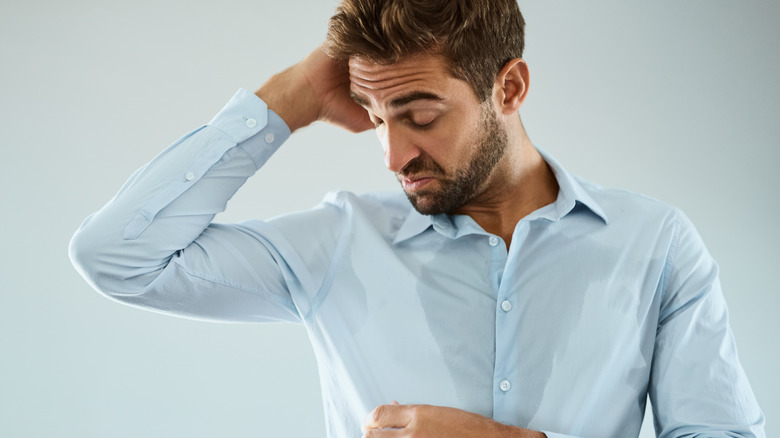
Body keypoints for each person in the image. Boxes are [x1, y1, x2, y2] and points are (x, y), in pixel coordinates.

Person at [69, 0, 765, 437]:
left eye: (420, 115)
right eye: (374, 118)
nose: (394, 154)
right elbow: (116, 256)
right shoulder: (337, 243)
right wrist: (292, 97)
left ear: (510, 87)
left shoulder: (655, 244)